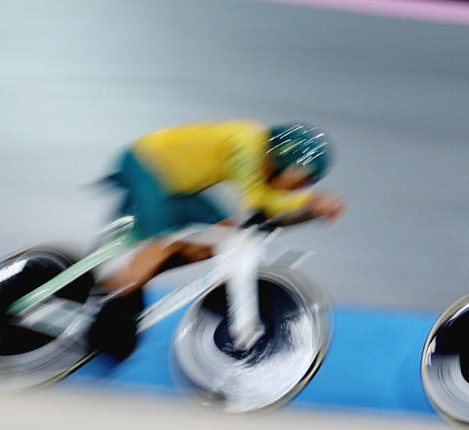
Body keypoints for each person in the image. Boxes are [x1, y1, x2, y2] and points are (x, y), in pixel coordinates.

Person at [91, 120, 342, 357]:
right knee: (160, 238)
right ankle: (112, 293)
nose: (299, 189)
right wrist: (310, 202)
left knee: (224, 235)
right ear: (283, 163)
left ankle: (138, 274)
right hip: (145, 166)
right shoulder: (243, 142)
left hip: (177, 186)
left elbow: (267, 213)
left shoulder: (263, 162)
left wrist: (307, 212)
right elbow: (257, 200)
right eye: (300, 182)